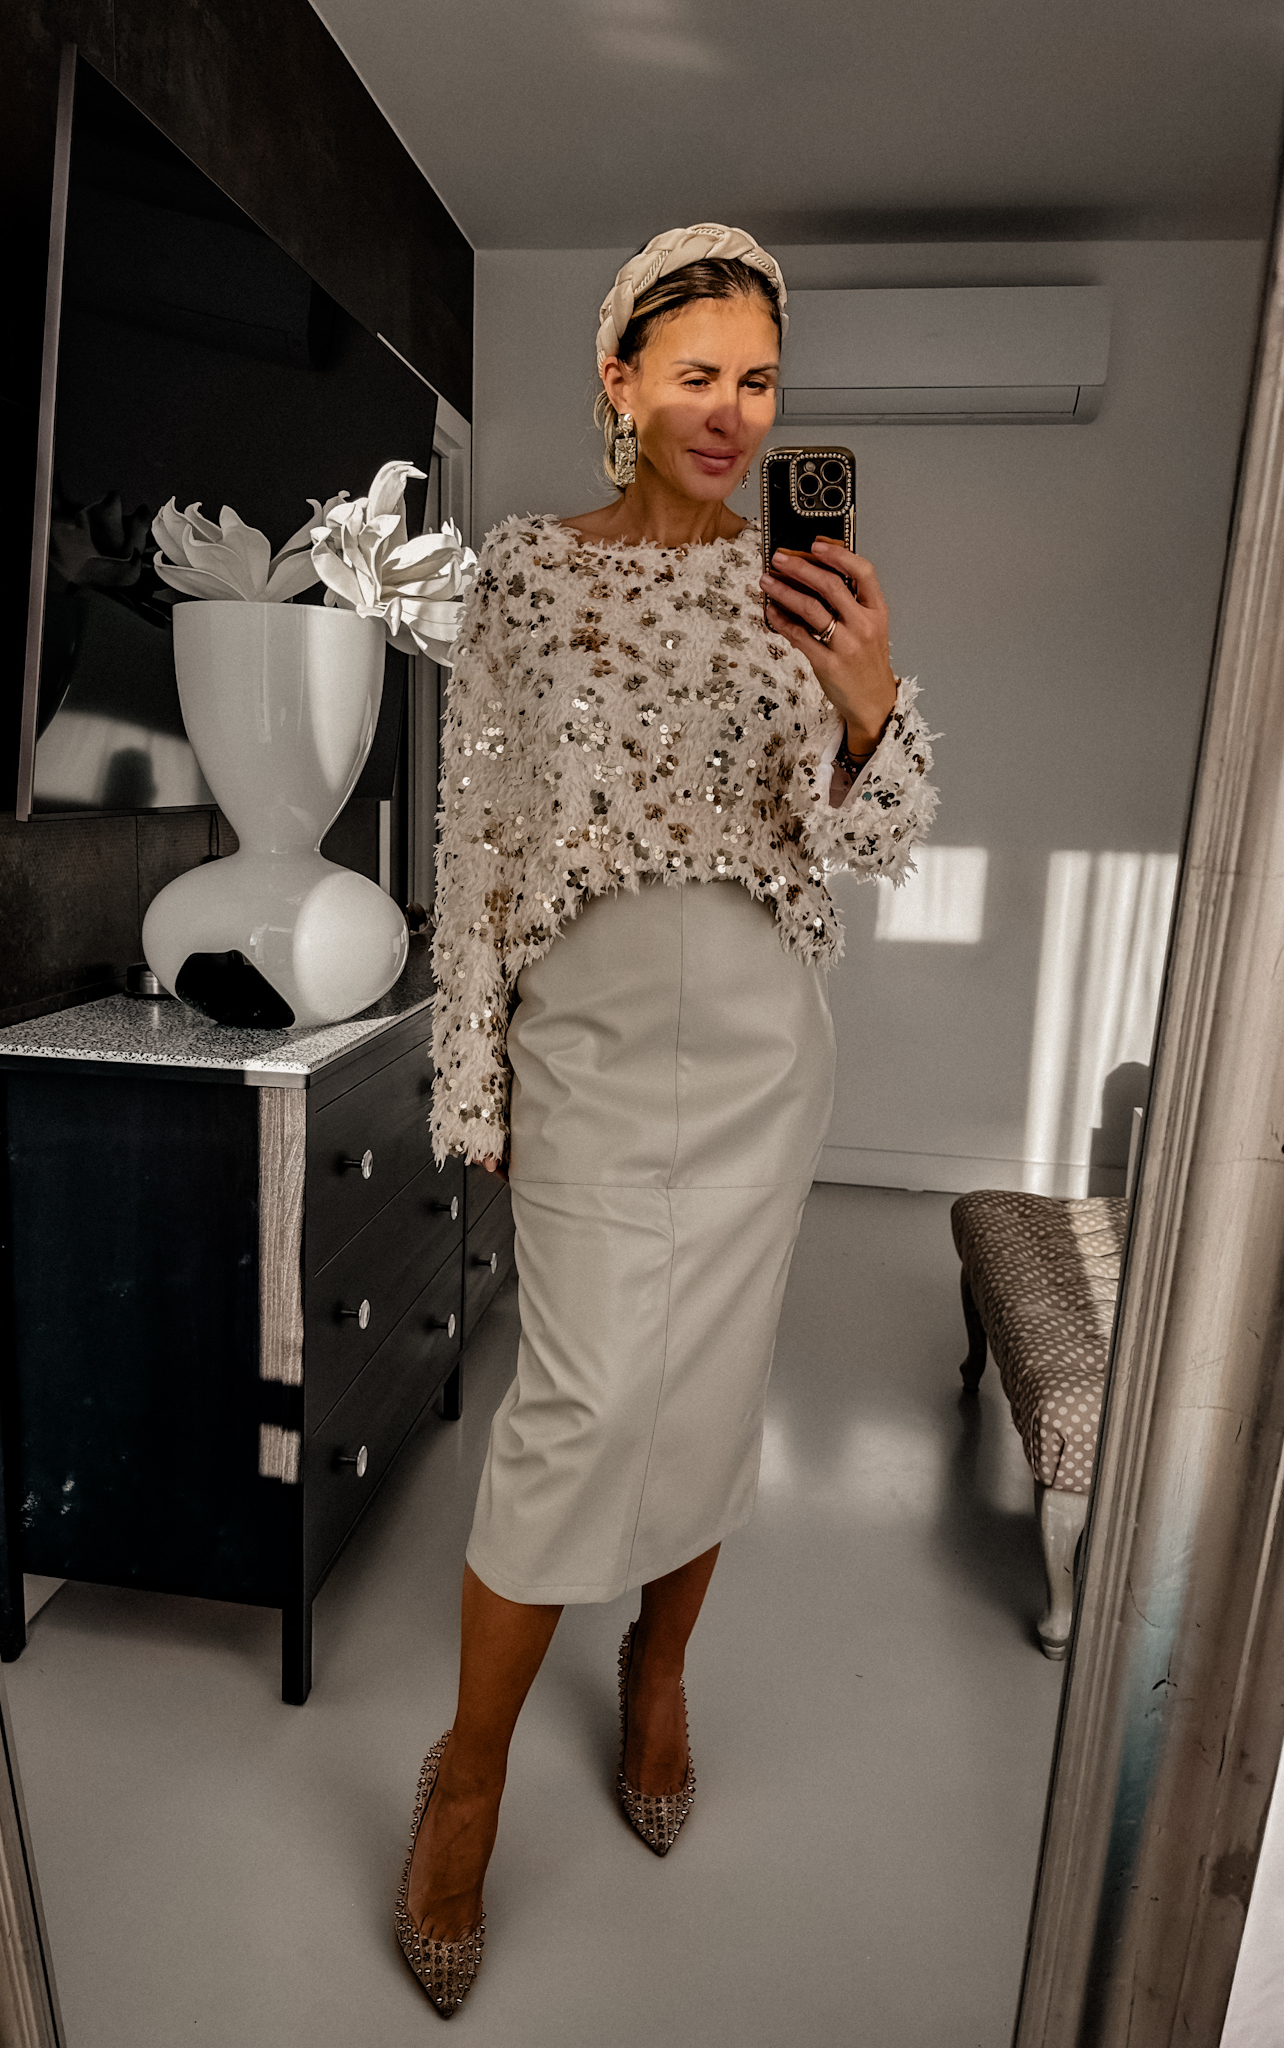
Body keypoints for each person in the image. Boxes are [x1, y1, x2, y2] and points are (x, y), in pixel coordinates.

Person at [394, 223, 937, 2017]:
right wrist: (471, 1065)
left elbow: (875, 843)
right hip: (591, 1050)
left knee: (709, 1383)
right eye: (698, 375)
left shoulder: (805, 592)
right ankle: (468, 1774)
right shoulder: (527, 578)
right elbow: (476, 840)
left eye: (760, 382)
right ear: (619, 382)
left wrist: (868, 705)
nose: (732, 412)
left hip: (768, 1050)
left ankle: (660, 1667)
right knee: (580, 1401)